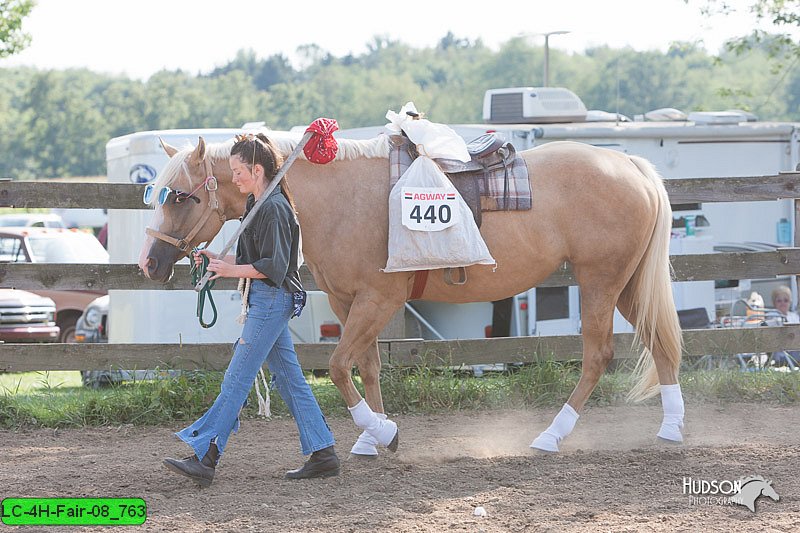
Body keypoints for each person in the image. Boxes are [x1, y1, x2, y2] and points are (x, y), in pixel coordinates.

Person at [163, 133, 339, 486]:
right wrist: (217, 259)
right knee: (290, 380)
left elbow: (273, 267)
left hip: (271, 300)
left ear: (257, 170)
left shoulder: (273, 208)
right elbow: (252, 260)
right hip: (266, 299)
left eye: (238, 170)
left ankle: (206, 455)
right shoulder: (258, 206)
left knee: (237, 378)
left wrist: (231, 271)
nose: (235, 177)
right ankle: (323, 453)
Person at [770, 285, 799, 368]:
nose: (783, 303)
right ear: (774, 303)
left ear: (790, 302)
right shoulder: (772, 318)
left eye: (786, 300)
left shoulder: (794, 316)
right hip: (782, 355)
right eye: (779, 301)